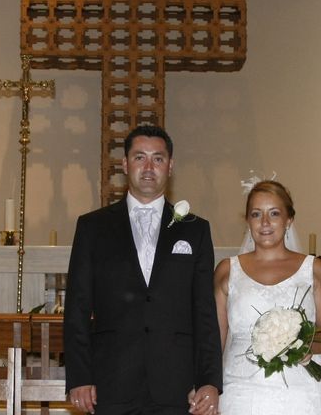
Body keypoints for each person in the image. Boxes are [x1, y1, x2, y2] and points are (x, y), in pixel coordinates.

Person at [64, 125, 222, 415]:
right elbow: (77, 308)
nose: (149, 167)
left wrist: (209, 381)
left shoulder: (196, 230)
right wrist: (79, 376)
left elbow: (205, 313)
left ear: (170, 166)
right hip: (111, 381)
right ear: (125, 164)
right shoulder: (92, 227)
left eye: (158, 158)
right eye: (140, 157)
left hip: (177, 384)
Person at [214, 180, 321, 414]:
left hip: (301, 389)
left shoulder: (314, 269)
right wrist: (206, 385)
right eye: (256, 214)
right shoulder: (226, 270)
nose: (264, 223)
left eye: (274, 213)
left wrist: (301, 344)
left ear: (289, 219)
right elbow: (214, 339)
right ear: (247, 221)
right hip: (241, 390)